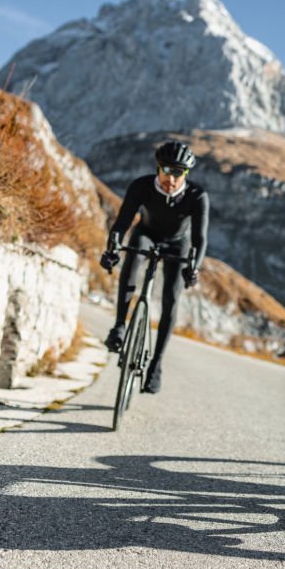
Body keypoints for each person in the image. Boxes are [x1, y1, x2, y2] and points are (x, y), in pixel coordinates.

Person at [100, 140, 209, 394]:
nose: (171, 178)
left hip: (177, 244)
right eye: (166, 170)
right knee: (133, 259)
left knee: (171, 296)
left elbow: (200, 238)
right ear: (158, 168)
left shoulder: (197, 196)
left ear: (186, 174)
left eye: (178, 172)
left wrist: (194, 266)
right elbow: (121, 223)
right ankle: (119, 326)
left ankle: (156, 365)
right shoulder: (140, 186)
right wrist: (112, 248)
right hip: (146, 233)